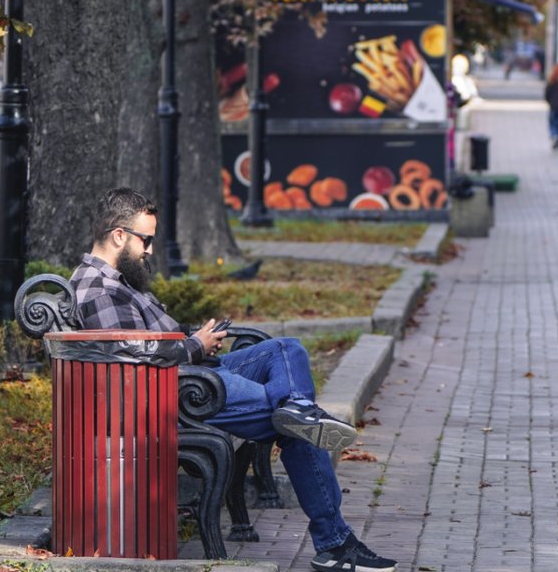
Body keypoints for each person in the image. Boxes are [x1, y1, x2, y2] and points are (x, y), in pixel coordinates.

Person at [70, 188, 397, 572]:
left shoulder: (114, 281)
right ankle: (336, 543)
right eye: (147, 240)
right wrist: (195, 344)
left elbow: (146, 345)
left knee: (286, 349)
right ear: (119, 235)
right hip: (179, 394)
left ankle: (299, 409)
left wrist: (197, 338)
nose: (151, 250)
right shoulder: (99, 289)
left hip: (194, 376)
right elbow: (134, 364)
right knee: (297, 430)